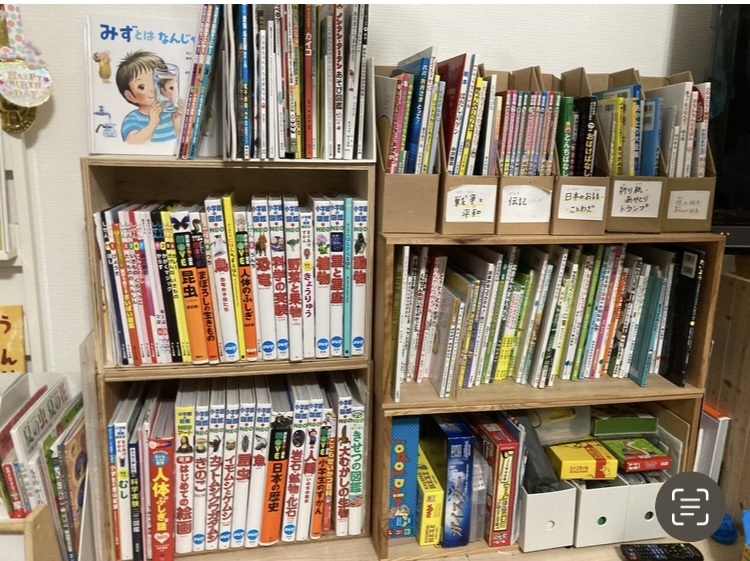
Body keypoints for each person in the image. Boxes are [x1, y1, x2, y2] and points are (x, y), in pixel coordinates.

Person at [115, 50, 183, 144]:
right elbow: (132, 142)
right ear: (130, 96)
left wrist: (179, 120)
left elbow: (183, 141)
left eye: (156, 82)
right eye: (142, 87)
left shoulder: (173, 113)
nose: (153, 89)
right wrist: (153, 123)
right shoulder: (133, 119)